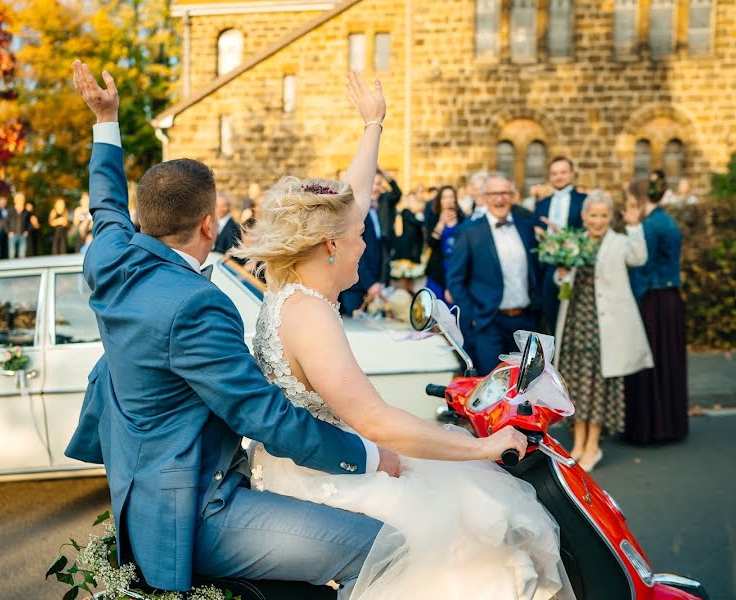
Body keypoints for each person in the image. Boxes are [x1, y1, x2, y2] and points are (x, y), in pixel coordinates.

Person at [65, 61, 396, 597]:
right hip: (196, 512)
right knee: (384, 548)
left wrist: (107, 122)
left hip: (143, 489)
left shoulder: (109, 260)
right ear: (208, 224)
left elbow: (105, 208)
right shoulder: (197, 304)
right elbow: (260, 413)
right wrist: (370, 456)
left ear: (141, 220)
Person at [233, 77, 570, 599]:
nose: (364, 245)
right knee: (477, 531)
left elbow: (354, 198)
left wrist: (374, 124)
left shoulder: (294, 288)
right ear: (329, 247)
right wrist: (483, 445)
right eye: (358, 237)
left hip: (331, 456)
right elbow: (376, 421)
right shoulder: (310, 316)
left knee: (478, 507)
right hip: (327, 473)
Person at [554, 191, 653, 473]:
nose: (598, 221)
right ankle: (579, 442)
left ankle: (593, 445)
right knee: (576, 384)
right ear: (584, 216)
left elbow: (639, 257)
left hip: (603, 329)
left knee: (596, 388)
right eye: (593, 215)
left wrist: (634, 226)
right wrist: (560, 274)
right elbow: (561, 278)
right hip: (575, 322)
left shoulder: (620, 243)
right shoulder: (574, 242)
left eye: (604, 215)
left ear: (611, 218)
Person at [446, 173, 542, 374]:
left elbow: (535, 270)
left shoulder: (526, 228)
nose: (500, 199)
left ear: (513, 196)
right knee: (493, 386)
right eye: (494, 193)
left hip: (525, 323)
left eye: (505, 193)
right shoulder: (469, 232)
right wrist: (472, 315)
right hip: (488, 323)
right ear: (484, 197)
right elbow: (455, 280)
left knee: (523, 388)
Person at [625, 177, 689, 444]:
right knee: (667, 361)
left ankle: (652, 427)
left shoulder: (650, 226)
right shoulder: (666, 220)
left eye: (629, 200)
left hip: (653, 300)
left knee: (649, 361)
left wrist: (630, 302)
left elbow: (642, 269)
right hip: (670, 299)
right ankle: (670, 424)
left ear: (639, 199)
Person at [535, 156, 588, 333]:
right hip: (548, 269)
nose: (559, 177)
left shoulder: (584, 201)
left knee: (575, 319)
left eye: (563, 172)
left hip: (577, 268)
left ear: (572, 174)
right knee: (552, 318)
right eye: (554, 173)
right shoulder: (542, 204)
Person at [423, 185, 465, 305]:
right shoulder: (433, 217)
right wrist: (441, 224)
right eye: (444, 197)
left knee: (453, 309)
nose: (448, 200)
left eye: (451, 197)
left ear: (455, 199)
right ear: (440, 200)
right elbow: (430, 244)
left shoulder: (462, 219)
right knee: (435, 309)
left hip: (456, 267)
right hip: (438, 266)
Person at [389, 192, 425, 291]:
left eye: (414, 200)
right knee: (404, 275)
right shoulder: (406, 212)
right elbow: (417, 223)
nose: (411, 202)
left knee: (412, 278)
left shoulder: (415, 213)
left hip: (414, 249)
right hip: (406, 249)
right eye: (409, 200)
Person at [6, 192, 31, 259]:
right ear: (15, 200)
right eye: (19, 199)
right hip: (12, 235)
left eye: (22, 199)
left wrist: (27, 231)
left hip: (22, 235)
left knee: (22, 255)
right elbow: (5, 222)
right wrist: (8, 231)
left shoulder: (26, 211)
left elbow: (29, 223)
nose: (21, 200)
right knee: (12, 255)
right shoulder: (10, 210)